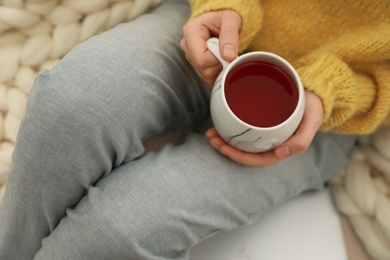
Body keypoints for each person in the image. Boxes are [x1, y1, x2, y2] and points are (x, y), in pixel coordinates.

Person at [0, 0, 389, 259]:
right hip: (221, 28)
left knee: (124, 227)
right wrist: (224, 5)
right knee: (70, 104)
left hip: (330, 109)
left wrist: (336, 90)